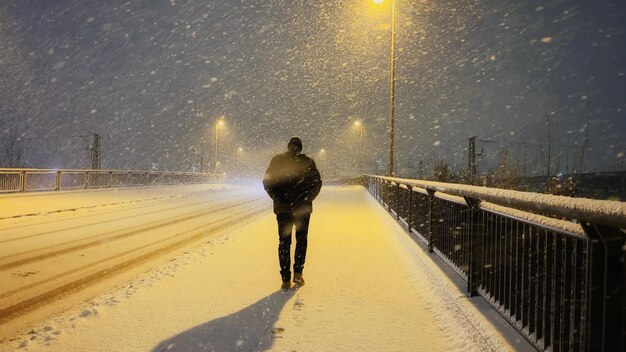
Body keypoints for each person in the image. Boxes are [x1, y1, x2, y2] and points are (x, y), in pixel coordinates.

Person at [263, 137, 322, 291]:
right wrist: (307, 199)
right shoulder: (308, 161)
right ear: (300, 148)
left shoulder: (277, 160)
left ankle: (285, 278)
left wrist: (278, 198)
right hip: (302, 209)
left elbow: (267, 182)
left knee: (284, 242)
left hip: (283, 209)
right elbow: (316, 183)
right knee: (301, 240)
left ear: (288, 146)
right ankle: (298, 272)